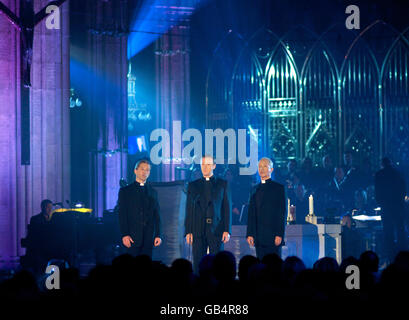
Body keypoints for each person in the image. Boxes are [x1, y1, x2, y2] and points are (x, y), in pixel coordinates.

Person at [184, 155, 231, 274]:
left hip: (216, 228)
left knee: (218, 262)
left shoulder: (222, 184)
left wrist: (227, 230)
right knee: (198, 263)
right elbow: (189, 209)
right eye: (203, 165)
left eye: (208, 164)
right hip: (197, 229)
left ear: (214, 166)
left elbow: (226, 208)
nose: (205, 168)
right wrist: (188, 231)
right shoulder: (193, 185)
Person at [117, 159, 162, 258]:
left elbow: (157, 215)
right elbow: (122, 214)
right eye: (142, 169)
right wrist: (125, 234)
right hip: (132, 236)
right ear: (135, 170)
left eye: (147, 170)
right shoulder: (125, 191)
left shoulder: (153, 192)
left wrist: (158, 234)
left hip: (148, 237)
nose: (144, 172)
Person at [246, 158, 286, 259]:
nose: (262, 169)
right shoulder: (254, 189)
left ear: (271, 169)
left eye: (265, 166)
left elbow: (282, 213)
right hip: (258, 236)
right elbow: (251, 213)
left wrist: (279, 234)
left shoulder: (278, 188)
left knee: (274, 266)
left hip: (273, 236)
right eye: (260, 167)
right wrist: (249, 233)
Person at [375, 157, 407, 261]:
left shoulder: (379, 174)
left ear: (382, 164)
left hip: (386, 208)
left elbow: (377, 193)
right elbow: (404, 190)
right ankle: (402, 256)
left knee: (388, 233)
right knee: (400, 230)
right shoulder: (398, 173)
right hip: (398, 207)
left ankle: (390, 257)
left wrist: (381, 203)